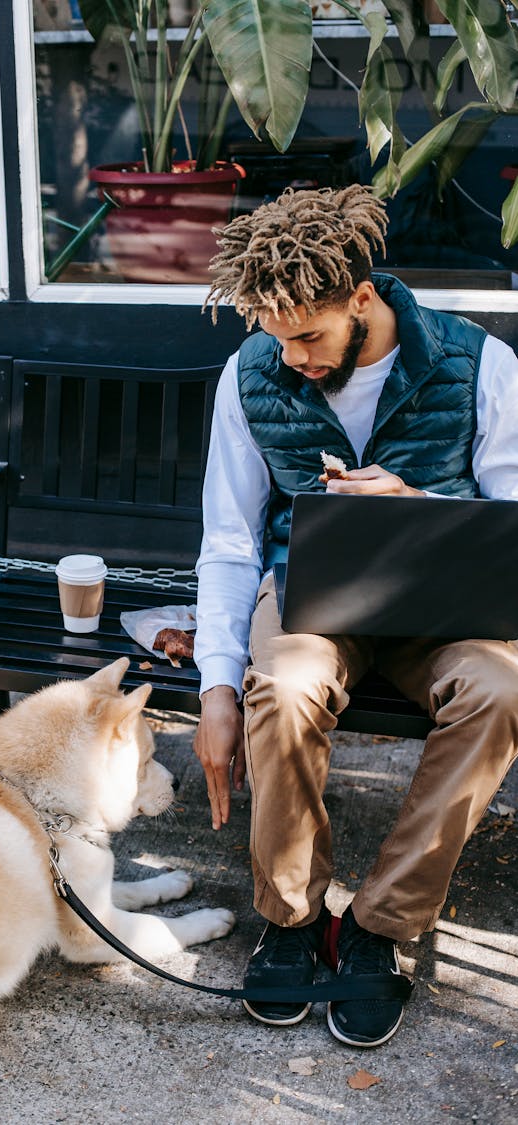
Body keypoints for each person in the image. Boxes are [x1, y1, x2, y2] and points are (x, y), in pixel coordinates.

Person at [193, 184, 518, 1048]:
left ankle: (376, 926)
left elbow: (513, 517)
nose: (293, 355)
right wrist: (217, 686)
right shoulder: (250, 374)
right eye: (277, 336)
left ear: (363, 299)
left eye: (310, 335)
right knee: (286, 687)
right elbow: (228, 540)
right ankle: (293, 918)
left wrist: (414, 501)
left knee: (500, 689)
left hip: (445, 607)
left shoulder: (477, 362)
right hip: (311, 597)